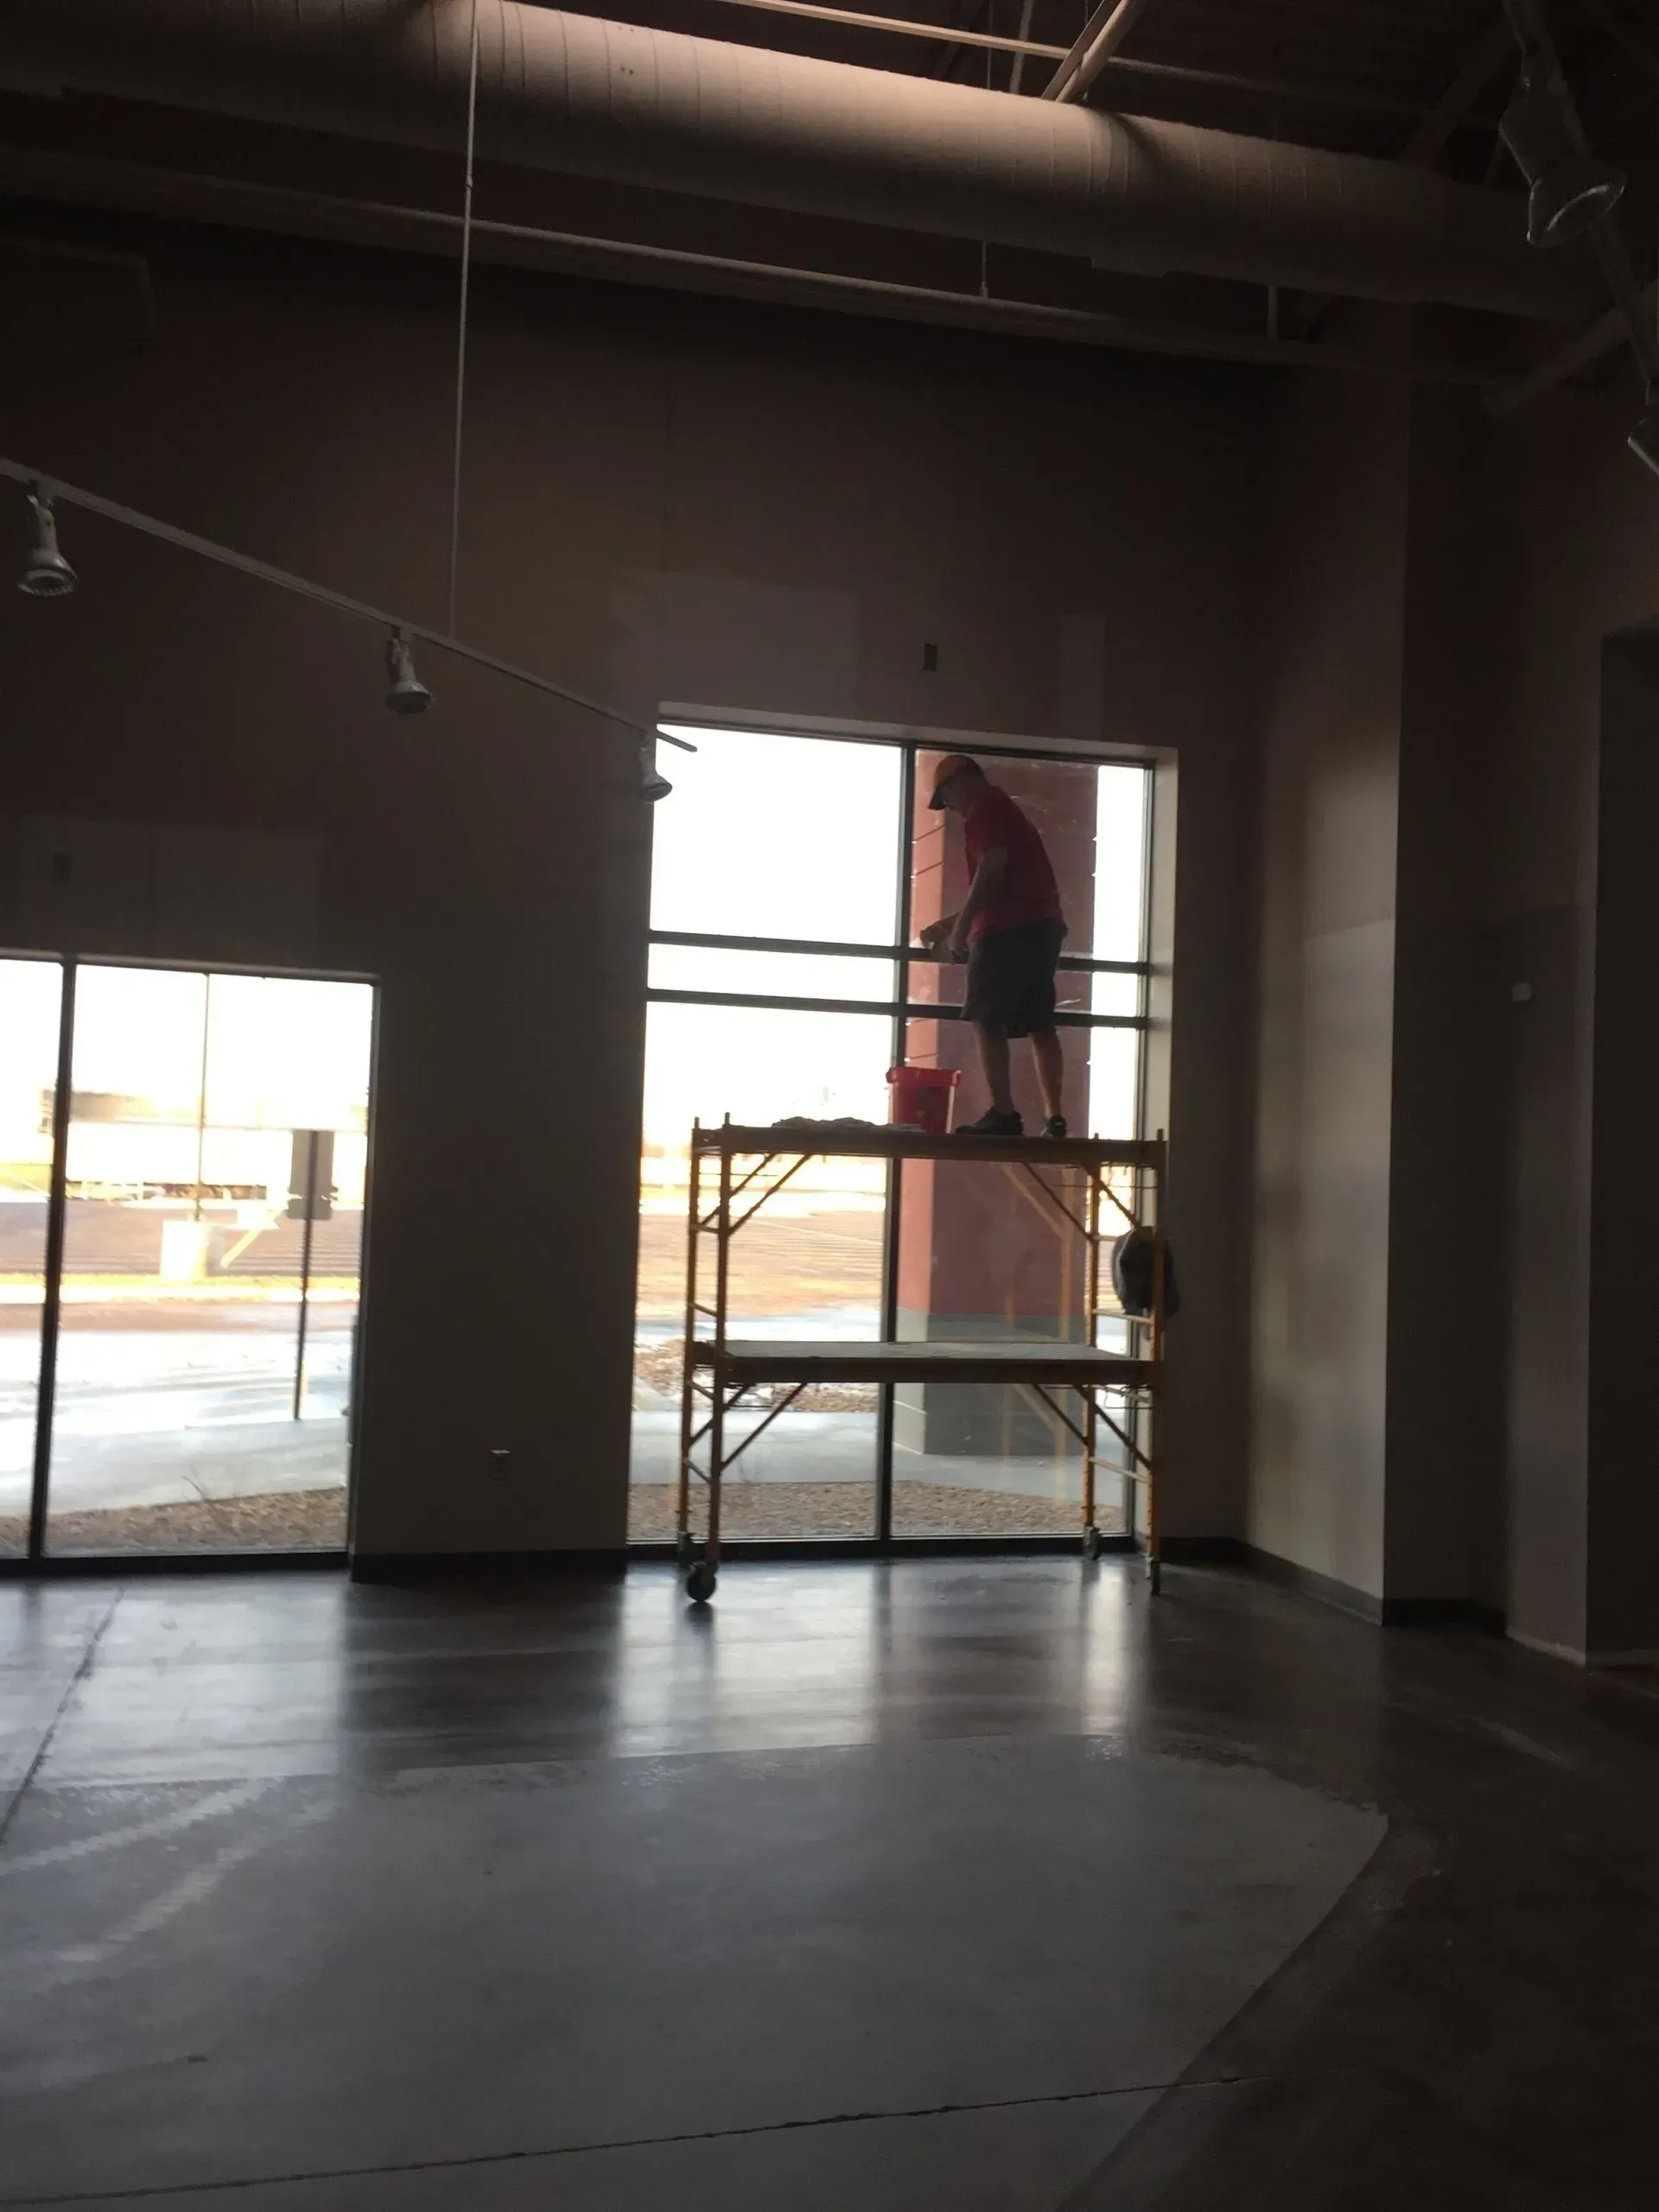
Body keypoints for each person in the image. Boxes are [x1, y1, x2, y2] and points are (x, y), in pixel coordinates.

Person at [918, 754, 1068, 1137]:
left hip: (1006, 929)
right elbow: (999, 886)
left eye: (945, 797)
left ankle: (1004, 1114)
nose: (949, 807)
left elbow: (991, 871)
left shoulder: (983, 811)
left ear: (959, 781)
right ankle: (1054, 1117)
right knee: (1039, 1021)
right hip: (1041, 925)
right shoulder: (1006, 811)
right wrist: (951, 923)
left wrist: (962, 928)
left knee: (986, 1017)